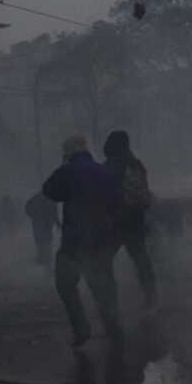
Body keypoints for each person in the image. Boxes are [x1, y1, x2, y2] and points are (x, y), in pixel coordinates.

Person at [43, 134, 122, 348]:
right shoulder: (106, 172)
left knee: (65, 284)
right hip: (103, 239)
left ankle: (81, 328)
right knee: (103, 289)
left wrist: (63, 164)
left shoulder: (68, 171)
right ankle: (115, 332)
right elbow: (118, 205)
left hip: (75, 242)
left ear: (69, 152)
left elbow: (48, 190)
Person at [102, 130, 157, 306]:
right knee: (142, 262)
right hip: (133, 221)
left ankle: (109, 301)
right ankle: (152, 301)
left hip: (112, 223)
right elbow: (143, 198)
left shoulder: (105, 167)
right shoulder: (134, 166)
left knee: (104, 262)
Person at [24, 191, 59, 266]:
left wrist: (33, 215)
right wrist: (58, 224)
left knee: (39, 240)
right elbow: (54, 212)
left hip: (37, 223)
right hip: (47, 223)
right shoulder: (52, 198)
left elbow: (27, 207)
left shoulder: (36, 197)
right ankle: (46, 258)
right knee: (47, 239)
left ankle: (41, 256)